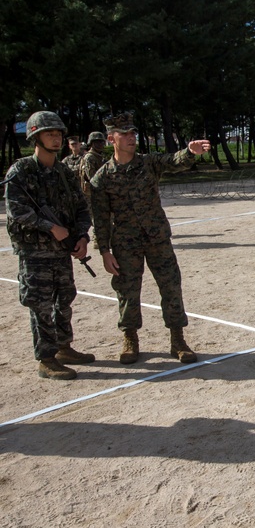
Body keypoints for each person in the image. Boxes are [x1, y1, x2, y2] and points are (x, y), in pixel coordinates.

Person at [90, 113, 210, 364]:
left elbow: (173, 161)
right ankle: (130, 339)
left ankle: (178, 340)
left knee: (171, 287)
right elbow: (100, 219)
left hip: (157, 239)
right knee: (127, 292)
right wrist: (104, 251)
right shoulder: (102, 177)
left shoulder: (148, 163)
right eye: (125, 134)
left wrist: (189, 152)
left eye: (133, 133)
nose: (131, 137)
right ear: (112, 138)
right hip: (125, 244)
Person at [5, 110, 95, 379]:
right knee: (40, 304)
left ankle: (64, 347)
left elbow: (81, 207)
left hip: (62, 251)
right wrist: (49, 227)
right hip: (35, 253)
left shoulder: (64, 172)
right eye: (49, 134)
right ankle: (46, 358)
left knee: (64, 300)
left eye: (58, 134)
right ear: (35, 136)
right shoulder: (21, 170)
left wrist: (81, 236)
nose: (56, 139)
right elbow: (15, 209)